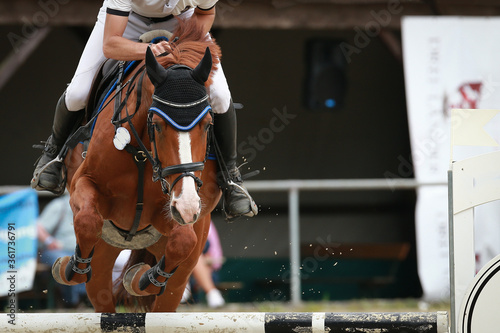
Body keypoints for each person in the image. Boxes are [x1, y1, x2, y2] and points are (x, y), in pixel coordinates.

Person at [30, 0, 257, 221]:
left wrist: (184, 42)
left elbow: (206, 14)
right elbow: (110, 45)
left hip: (182, 23)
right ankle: (53, 155)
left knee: (220, 96)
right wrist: (149, 49)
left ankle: (231, 179)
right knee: (78, 93)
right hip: (126, 23)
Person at [37, 194, 87, 307]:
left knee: (92, 259)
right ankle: (71, 302)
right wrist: (49, 241)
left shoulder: (89, 206)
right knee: (67, 262)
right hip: (57, 251)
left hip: (80, 252)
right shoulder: (59, 205)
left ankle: (84, 299)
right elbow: (38, 228)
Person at [181, 220, 225, 308]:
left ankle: (182, 287)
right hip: (182, 265)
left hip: (207, 270)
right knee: (191, 255)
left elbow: (216, 258)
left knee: (194, 256)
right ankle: (212, 293)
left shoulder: (206, 222)